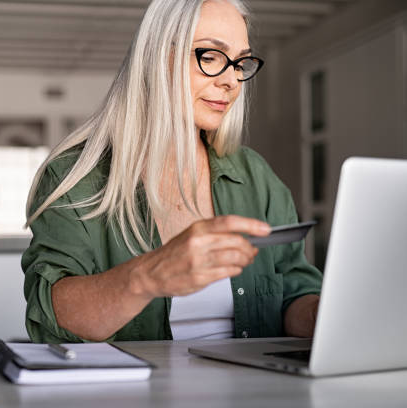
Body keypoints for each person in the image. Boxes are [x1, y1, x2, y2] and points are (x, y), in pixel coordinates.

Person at [21, 0, 322, 343]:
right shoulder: (74, 178)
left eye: (240, 62)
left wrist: (326, 315)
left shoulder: (255, 176)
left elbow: (294, 293)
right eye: (210, 57)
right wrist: (150, 275)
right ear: (156, 57)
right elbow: (53, 321)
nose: (232, 81)